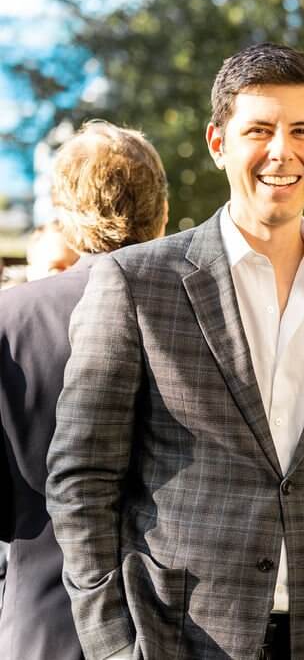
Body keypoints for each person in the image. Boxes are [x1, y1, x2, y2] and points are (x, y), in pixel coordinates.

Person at [46, 43, 304, 660]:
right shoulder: (136, 282)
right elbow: (81, 479)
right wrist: (111, 646)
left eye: (301, 131)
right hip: (175, 638)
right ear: (218, 143)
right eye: (258, 130)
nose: (281, 152)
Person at [0, 119, 168, 660]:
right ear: (162, 214)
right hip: (179, 621)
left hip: (43, 616)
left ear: (64, 218)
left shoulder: (8, 321)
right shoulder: (205, 318)